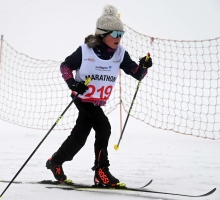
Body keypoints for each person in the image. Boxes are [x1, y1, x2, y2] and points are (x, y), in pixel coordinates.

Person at [46, 4, 152, 186]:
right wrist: (72, 83)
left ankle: (55, 161)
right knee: (104, 127)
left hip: (97, 102)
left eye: (121, 34)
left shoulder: (120, 53)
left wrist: (144, 66)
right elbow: (65, 66)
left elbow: (136, 73)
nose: (120, 38)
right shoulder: (85, 51)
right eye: (116, 34)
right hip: (83, 99)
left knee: (78, 138)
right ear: (103, 35)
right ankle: (101, 171)